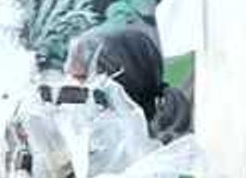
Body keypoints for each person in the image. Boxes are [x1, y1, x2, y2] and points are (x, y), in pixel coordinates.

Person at [64, 23, 192, 143]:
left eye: (80, 78)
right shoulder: (88, 148)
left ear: (117, 83)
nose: (67, 86)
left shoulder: (152, 155)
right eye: (67, 76)